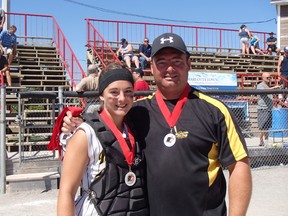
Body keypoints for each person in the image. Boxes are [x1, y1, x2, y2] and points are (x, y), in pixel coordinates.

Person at [62, 33, 252, 216]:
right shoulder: (136, 111)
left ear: (188, 64)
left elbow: (239, 167)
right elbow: (105, 124)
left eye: (177, 61)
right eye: (161, 62)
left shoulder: (214, 111)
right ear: (151, 67)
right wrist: (75, 123)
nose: (169, 68)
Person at [57, 68, 149, 215]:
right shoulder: (85, 134)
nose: (122, 98)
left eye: (128, 91)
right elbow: (66, 193)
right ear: (101, 95)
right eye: (114, 92)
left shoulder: (136, 127)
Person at [257, 72, 281, 146]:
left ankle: (266, 141)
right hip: (262, 108)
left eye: (270, 77)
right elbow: (265, 90)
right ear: (263, 78)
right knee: (262, 127)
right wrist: (274, 88)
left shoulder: (268, 85)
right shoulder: (260, 85)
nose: (269, 79)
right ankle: (261, 141)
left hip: (269, 108)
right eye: (267, 77)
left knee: (267, 127)